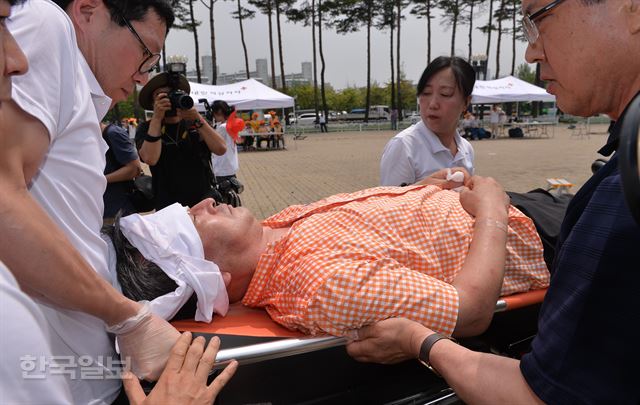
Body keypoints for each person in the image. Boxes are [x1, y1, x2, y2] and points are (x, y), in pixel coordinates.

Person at [346, 1, 640, 403]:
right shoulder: (405, 146)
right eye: (427, 93)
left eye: (538, 20)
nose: (531, 52)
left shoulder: (621, 197)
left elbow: (534, 393)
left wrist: (417, 339)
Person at [2, 1, 182, 402]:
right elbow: (2, 202)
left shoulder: (84, 93)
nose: (143, 76)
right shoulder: (45, 25)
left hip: (76, 369)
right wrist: (128, 317)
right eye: (145, 53)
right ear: (87, 12)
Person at [107, 175, 549, 338]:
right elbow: (469, 312)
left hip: (511, 209)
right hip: (536, 234)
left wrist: (414, 191)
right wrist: (491, 207)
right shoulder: (319, 286)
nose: (204, 203)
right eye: (192, 222)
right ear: (217, 277)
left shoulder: (272, 231)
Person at [380, 56, 476, 186]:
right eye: (426, 92)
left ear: (466, 102)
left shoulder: (466, 149)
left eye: (445, 94)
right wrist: (420, 189)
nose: (432, 104)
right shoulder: (404, 146)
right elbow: (388, 203)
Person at [136, 72, 226, 211]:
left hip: (203, 205)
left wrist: (197, 118)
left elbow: (221, 149)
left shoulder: (195, 124)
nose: (170, 100)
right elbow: (150, 158)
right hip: (167, 208)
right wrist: (157, 118)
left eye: (173, 94)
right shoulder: (147, 128)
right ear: (153, 102)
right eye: (162, 96)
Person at [102, 122, 142, 220]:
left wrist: (99, 180)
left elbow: (134, 169)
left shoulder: (112, 133)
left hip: (119, 212)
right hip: (97, 212)